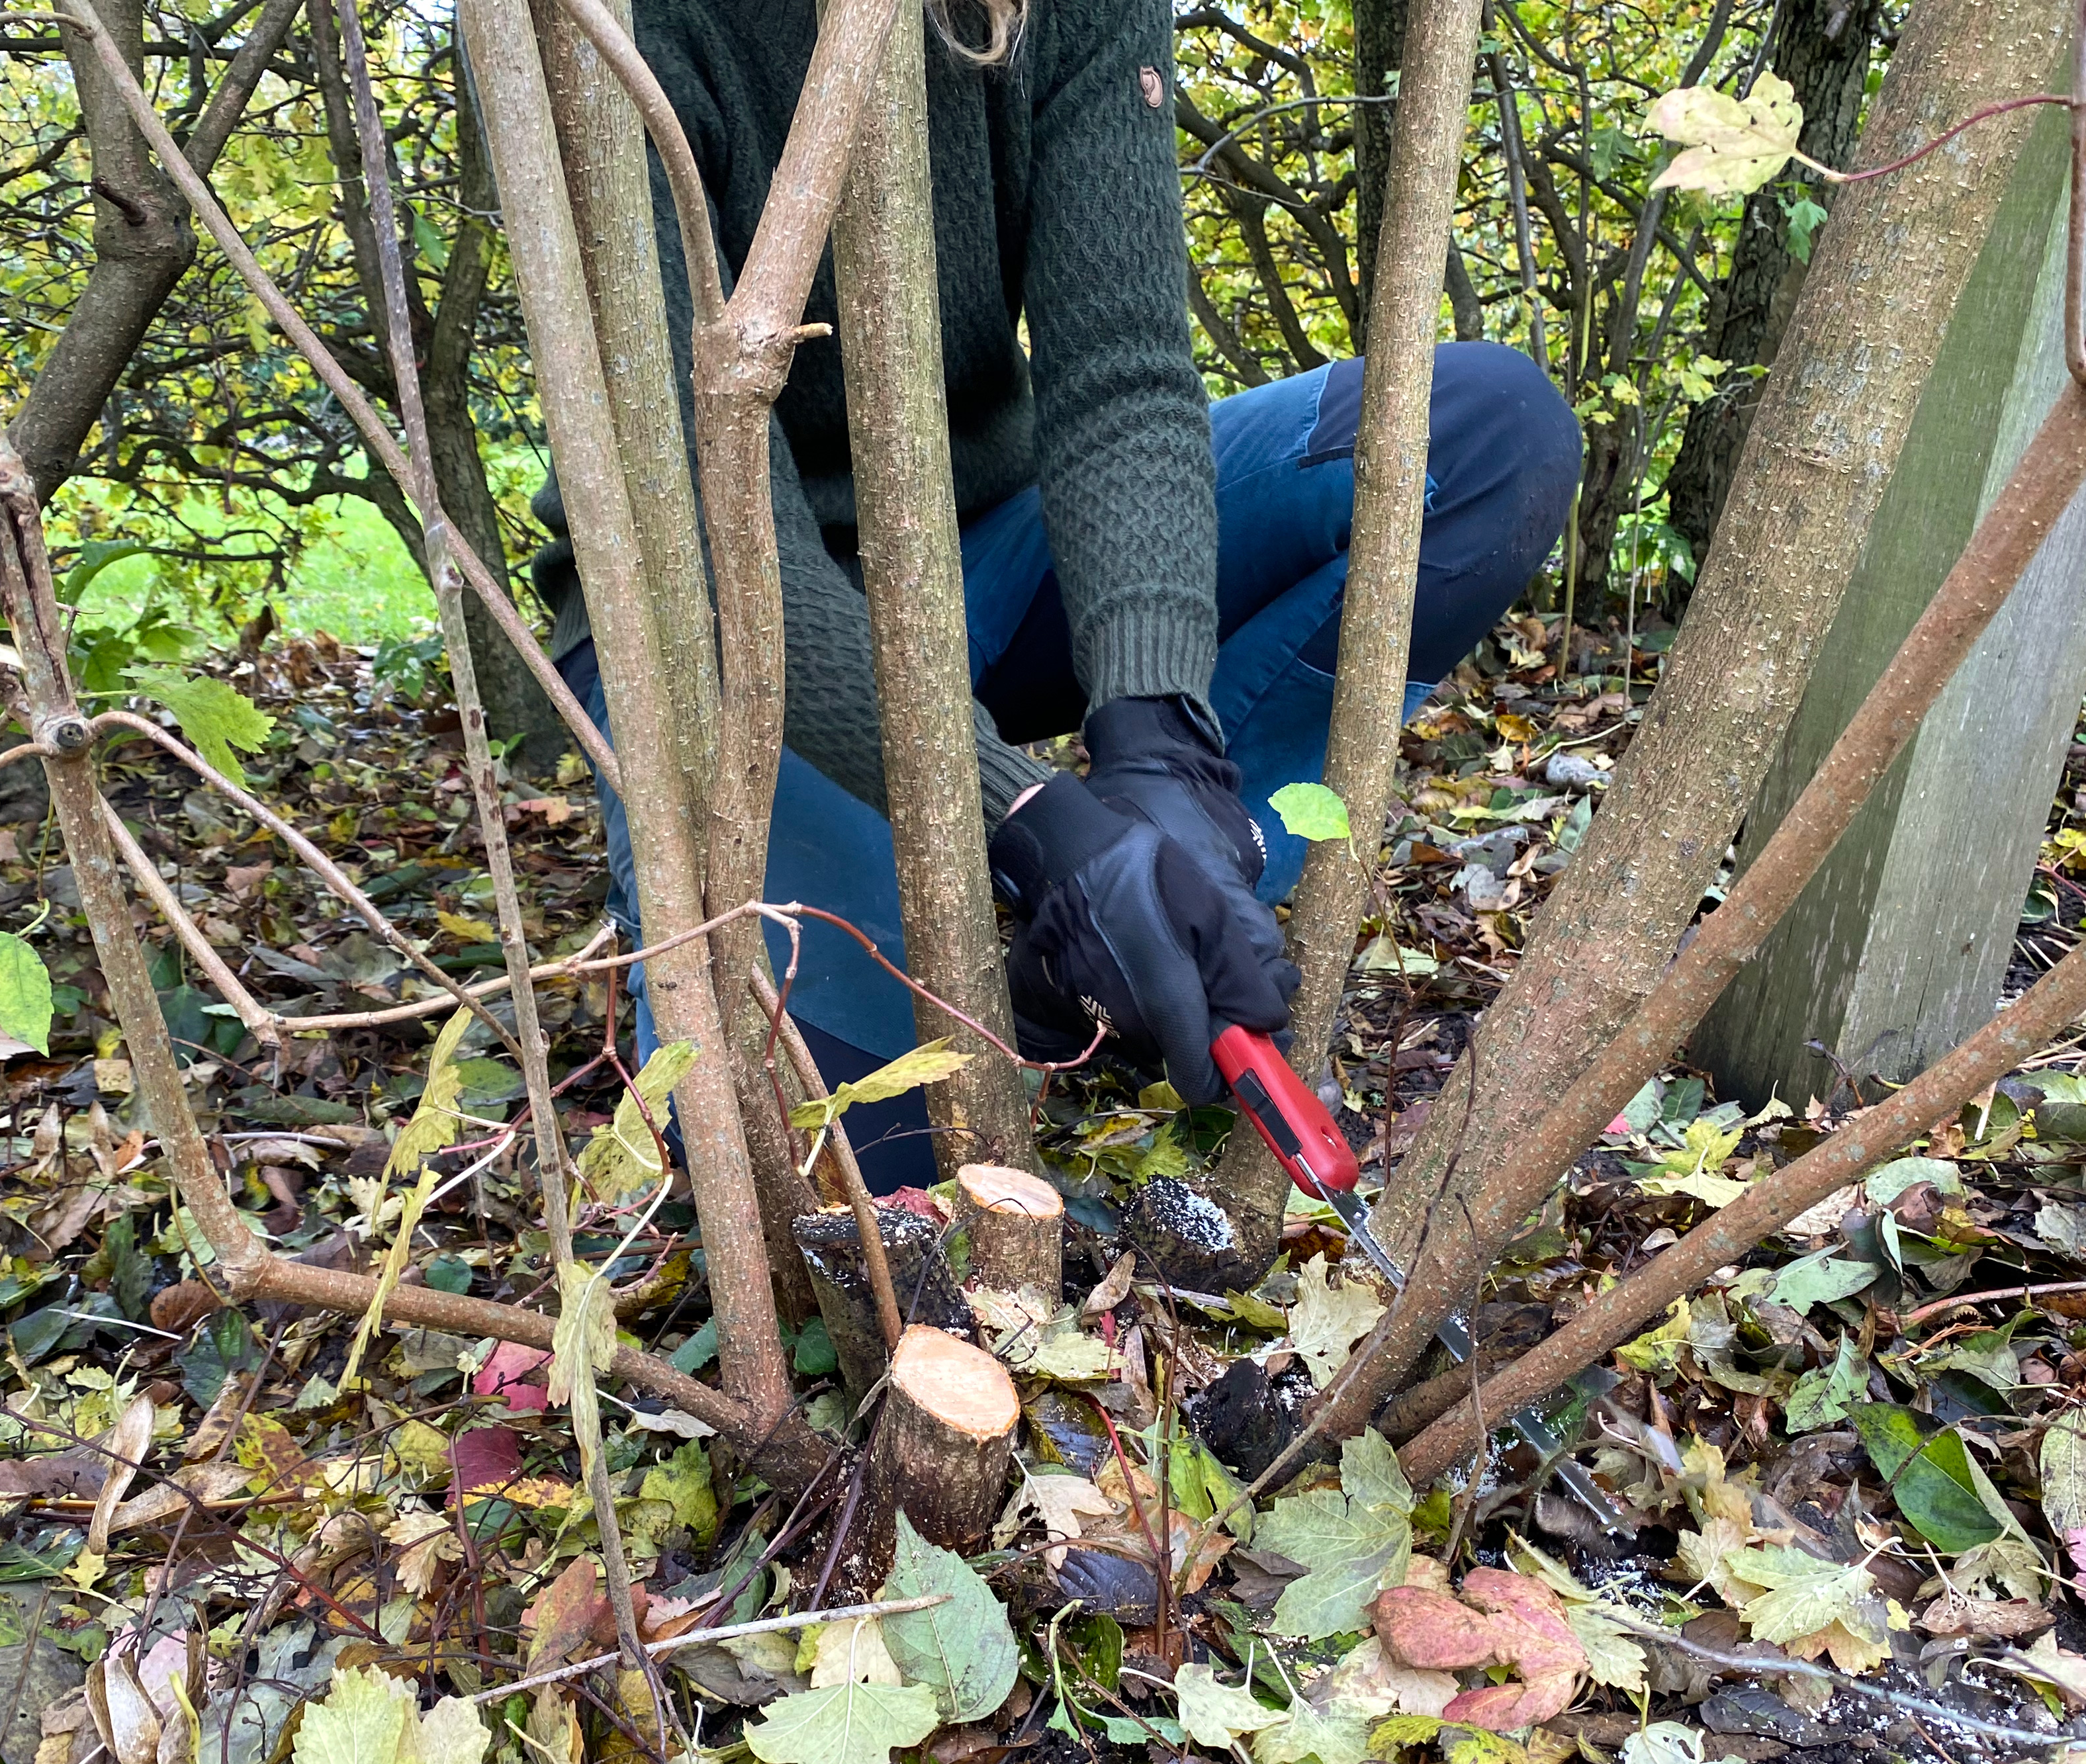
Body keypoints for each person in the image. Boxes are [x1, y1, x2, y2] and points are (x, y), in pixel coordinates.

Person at [531, 0, 1582, 1189]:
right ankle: (1068, 921)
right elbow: (720, 562)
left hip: (983, 551)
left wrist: (1160, 736)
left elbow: (1123, 377)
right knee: (860, 1183)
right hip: (708, 630)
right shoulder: (605, 31)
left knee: (1490, 440)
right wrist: (1030, 819)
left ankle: (1164, 903)